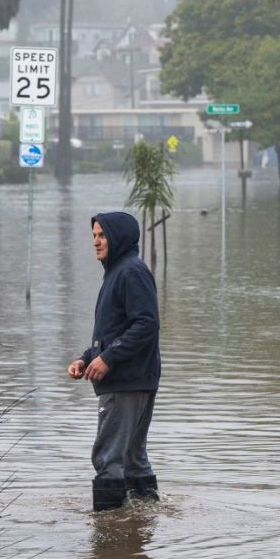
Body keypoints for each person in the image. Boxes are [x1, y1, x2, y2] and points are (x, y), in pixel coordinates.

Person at [68, 211, 161, 511]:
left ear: (118, 237)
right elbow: (116, 329)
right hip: (133, 378)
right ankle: (143, 522)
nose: (96, 241)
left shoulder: (129, 272)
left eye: (102, 235)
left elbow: (146, 323)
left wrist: (108, 359)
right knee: (133, 458)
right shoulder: (118, 272)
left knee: (108, 457)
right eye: (94, 235)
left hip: (125, 381)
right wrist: (87, 358)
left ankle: (109, 537)